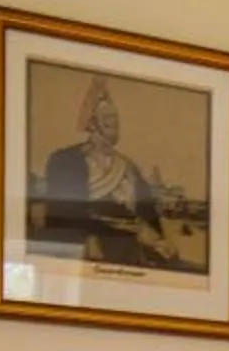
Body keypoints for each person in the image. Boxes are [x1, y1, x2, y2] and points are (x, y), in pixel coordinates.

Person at [36, 76, 177, 268]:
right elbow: (63, 212)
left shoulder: (128, 166)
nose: (115, 123)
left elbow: (147, 212)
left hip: (130, 250)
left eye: (116, 118)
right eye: (108, 118)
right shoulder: (66, 160)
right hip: (87, 248)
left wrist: (159, 240)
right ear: (92, 123)